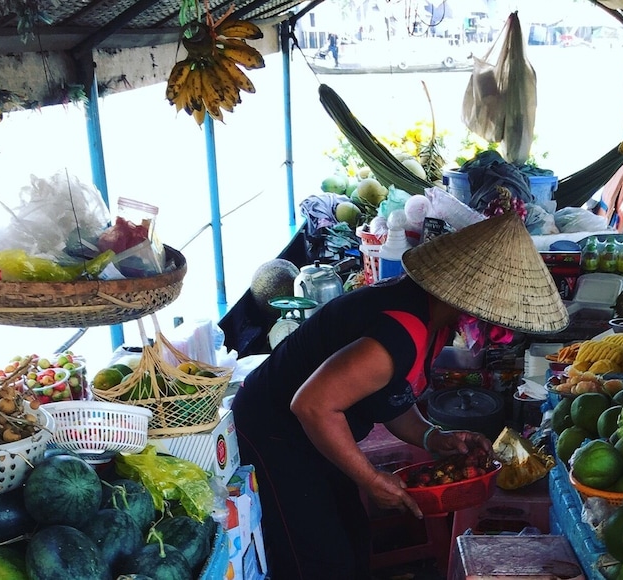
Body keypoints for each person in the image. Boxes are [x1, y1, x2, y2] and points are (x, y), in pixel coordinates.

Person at [231, 212, 568, 579]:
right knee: (317, 559)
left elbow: (389, 395)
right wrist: (371, 478)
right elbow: (312, 405)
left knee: (353, 538)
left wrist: (433, 436)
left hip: (317, 431)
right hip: (276, 433)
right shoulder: (401, 331)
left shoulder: (429, 319)